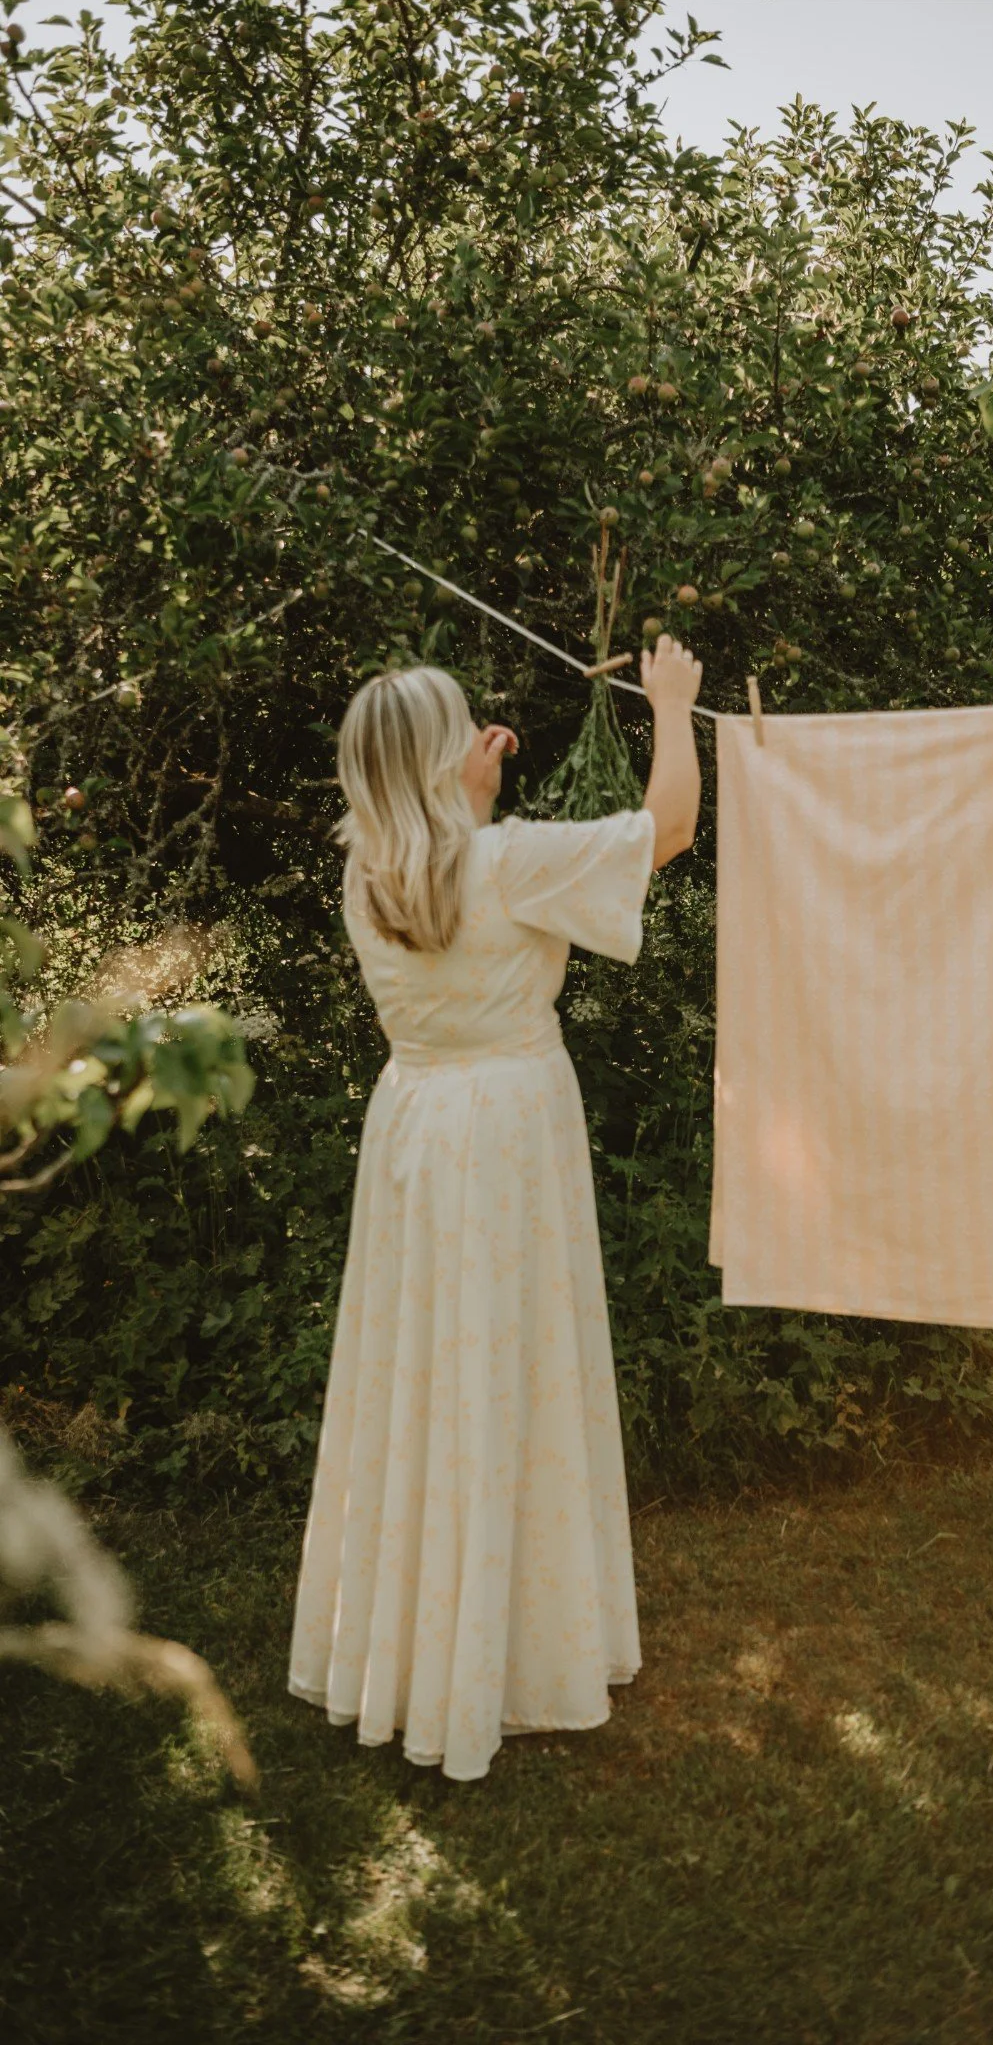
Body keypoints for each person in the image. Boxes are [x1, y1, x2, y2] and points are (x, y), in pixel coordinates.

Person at [287, 637, 702, 1780]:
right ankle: (505, 1653)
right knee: (509, 1373)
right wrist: (670, 705)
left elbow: (442, 870)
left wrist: (463, 800)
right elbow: (667, 827)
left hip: (418, 1127)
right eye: (461, 732)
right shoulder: (508, 862)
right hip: (510, 1128)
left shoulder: (366, 871)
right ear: (435, 763)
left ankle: (420, 1646)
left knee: (420, 1378)